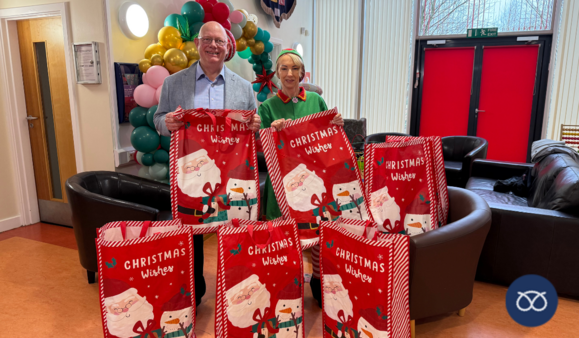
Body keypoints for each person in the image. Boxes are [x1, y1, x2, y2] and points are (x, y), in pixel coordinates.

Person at [154, 21, 261, 307]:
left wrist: (255, 125)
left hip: (233, 169)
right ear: (198, 44)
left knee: (235, 229)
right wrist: (166, 122)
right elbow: (158, 118)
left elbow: (254, 126)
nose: (214, 45)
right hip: (192, 171)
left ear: (228, 49)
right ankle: (195, 291)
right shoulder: (173, 83)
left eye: (220, 42)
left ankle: (236, 288)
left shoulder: (244, 87)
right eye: (208, 40)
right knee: (191, 231)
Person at [258, 49, 343, 307]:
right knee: (285, 234)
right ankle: (287, 283)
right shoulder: (268, 106)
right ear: (277, 75)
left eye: (295, 68)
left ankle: (318, 282)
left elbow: (330, 136)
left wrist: (337, 123)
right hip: (281, 183)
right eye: (284, 68)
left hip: (315, 180)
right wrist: (271, 133)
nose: (290, 73)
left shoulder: (316, 100)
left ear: (303, 73)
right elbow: (259, 147)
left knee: (318, 230)